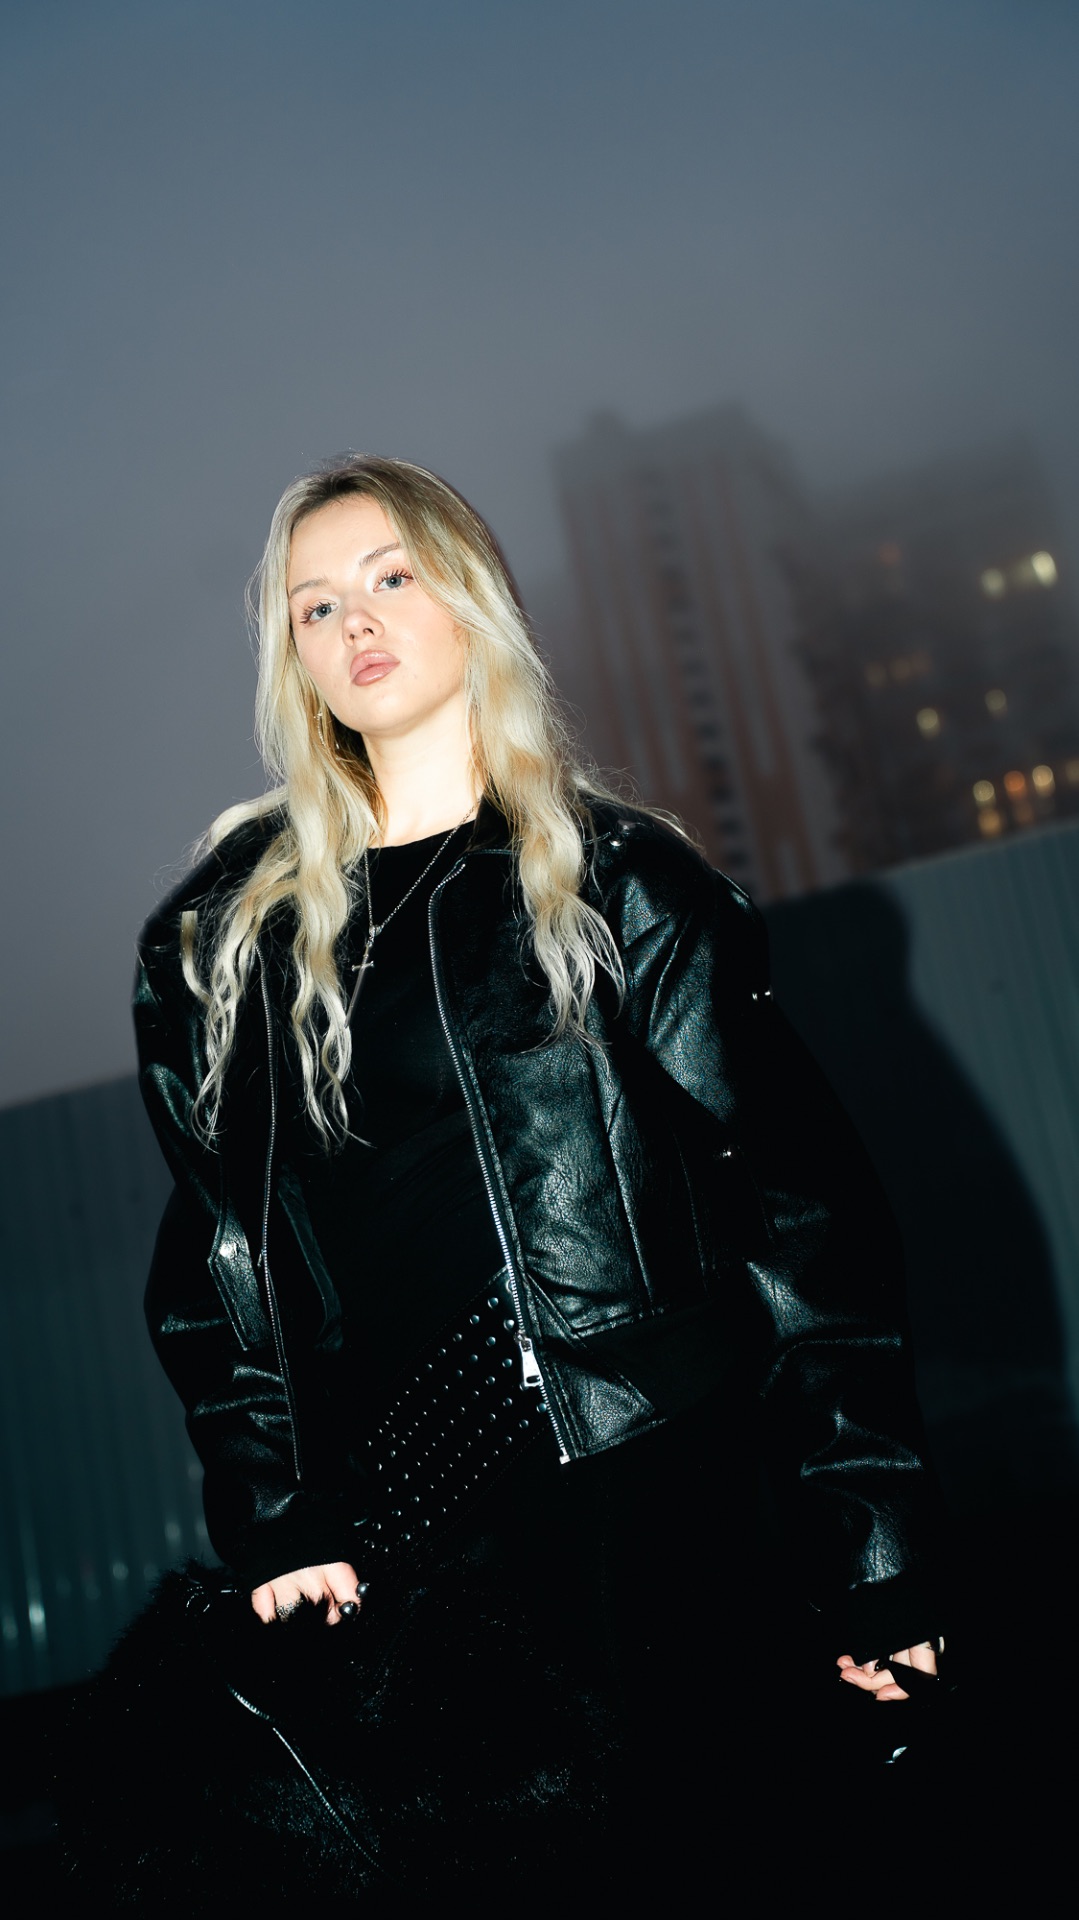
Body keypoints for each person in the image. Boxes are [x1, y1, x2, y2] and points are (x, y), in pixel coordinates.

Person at [130, 453, 944, 1892]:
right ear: (293, 658)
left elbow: (803, 1230)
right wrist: (276, 1519)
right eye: (314, 605)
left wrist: (874, 1563)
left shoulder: (623, 886)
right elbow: (214, 1264)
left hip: (656, 1510)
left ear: (472, 599)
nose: (355, 620)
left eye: (392, 576)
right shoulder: (224, 943)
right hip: (402, 1544)